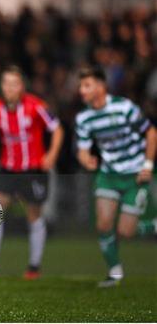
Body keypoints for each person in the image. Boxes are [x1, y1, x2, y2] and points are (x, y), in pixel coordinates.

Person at [0, 65, 64, 280]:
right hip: (8, 168)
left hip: (33, 169)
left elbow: (58, 129)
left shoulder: (36, 106)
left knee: (34, 215)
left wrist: (51, 155)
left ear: (22, 86)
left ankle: (34, 266)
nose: (9, 88)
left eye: (14, 84)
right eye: (5, 83)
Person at [75, 66, 156, 288]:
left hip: (135, 174)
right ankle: (115, 273)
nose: (82, 90)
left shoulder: (124, 108)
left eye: (87, 85)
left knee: (125, 232)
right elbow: (82, 149)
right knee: (103, 225)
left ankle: (152, 226)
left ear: (101, 87)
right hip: (108, 175)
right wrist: (86, 160)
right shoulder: (84, 117)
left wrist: (147, 165)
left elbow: (151, 133)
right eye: (81, 86)